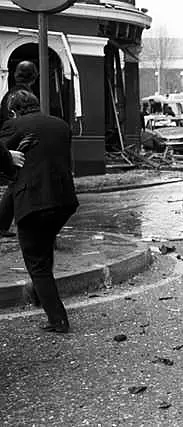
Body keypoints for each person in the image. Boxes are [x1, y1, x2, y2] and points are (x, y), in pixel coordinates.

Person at [0, 90, 79, 333]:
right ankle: (40, 292)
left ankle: (58, 320)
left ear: (14, 110)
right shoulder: (61, 125)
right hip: (64, 201)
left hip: (33, 203)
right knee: (43, 248)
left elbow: (4, 159)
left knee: (37, 263)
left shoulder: (12, 126)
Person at [0, 61, 38, 239]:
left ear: (15, 75)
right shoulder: (26, 95)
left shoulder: (8, 94)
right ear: (34, 77)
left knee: (15, 184)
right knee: (19, 183)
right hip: (21, 144)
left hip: (8, 144)